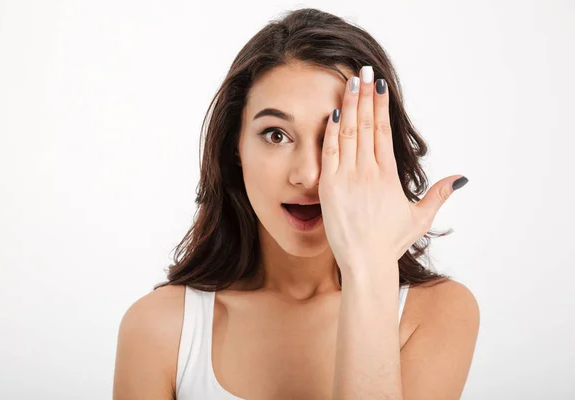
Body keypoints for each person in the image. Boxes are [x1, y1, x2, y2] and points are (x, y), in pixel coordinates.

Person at [113, 8, 479, 400]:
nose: (308, 175)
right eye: (276, 135)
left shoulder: (437, 313)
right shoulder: (158, 328)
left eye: (337, 136)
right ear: (235, 147)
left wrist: (370, 271)